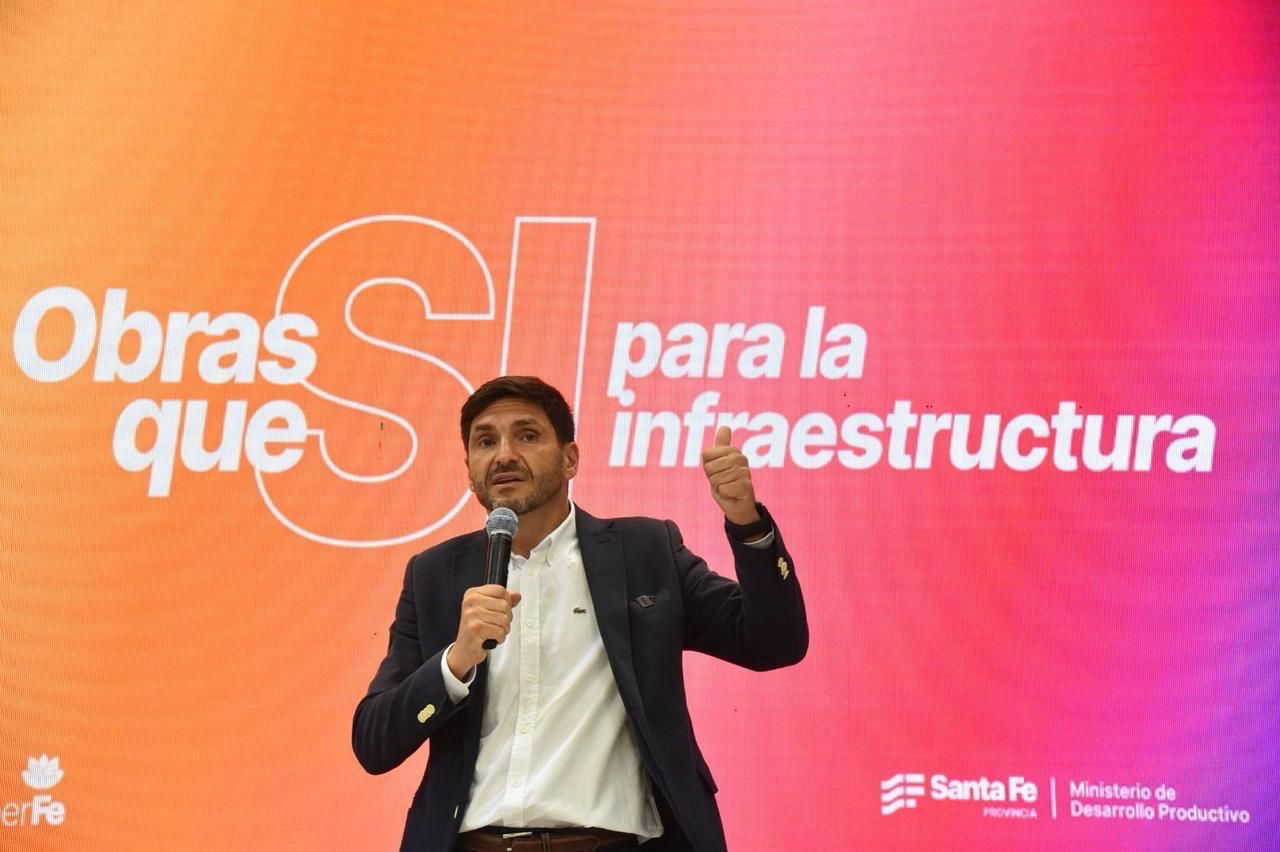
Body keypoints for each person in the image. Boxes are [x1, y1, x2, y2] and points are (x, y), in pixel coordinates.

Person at [353, 376, 808, 852]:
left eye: (527, 435)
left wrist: (746, 522)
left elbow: (774, 642)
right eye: (485, 442)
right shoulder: (433, 575)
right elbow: (372, 743)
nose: (504, 455)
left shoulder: (645, 552)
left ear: (570, 458)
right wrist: (455, 662)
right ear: (469, 470)